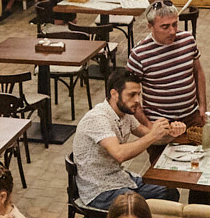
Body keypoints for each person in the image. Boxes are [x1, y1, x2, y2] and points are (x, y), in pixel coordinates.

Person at [71, 70, 177, 209]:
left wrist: (171, 134)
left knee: (169, 192)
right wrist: (152, 135)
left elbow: (152, 137)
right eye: (132, 95)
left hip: (119, 179)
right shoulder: (98, 118)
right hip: (98, 190)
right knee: (137, 206)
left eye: (139, 94)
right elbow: (119, 154)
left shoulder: (125, 114)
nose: (137, 100)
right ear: (114, 94)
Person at [126, 1, 207, 128]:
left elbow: (198, 72)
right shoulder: (139, 55)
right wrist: (149, 126)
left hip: (191, 117)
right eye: (165, 27)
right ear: (150, 26)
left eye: (175, 24)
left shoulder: (188, 40)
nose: (172, 31)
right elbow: (129, 95)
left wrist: (202, 106)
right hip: (160, 123)